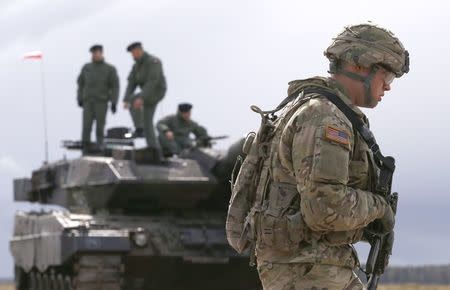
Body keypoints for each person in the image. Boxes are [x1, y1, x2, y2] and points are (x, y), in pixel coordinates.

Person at [234, 24, 410, 289]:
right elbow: (325, 208)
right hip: (306, 269)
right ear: (361, 66)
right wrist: (378, 207)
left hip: (309, 266)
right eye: (386, 76)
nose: (388, 87)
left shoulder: (317, 109)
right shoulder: (325, 118)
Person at [123, 42, 167, 155]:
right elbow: (131, 83)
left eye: (134, 52)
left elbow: (153, 81)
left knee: (135, 100)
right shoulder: (136, 66)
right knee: (147, 121)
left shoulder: (153, 62)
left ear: (140, 50)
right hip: (146, 94)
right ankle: (154, 148)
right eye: (131, 53)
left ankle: (140, 129)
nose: (133, 55)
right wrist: (126, 99)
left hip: (156, 91)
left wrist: (141, 97)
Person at [77, 44, 119, 145]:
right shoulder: (86, 68)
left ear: (101, 53)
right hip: (88, 102)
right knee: (86, 126)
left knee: (100, 127)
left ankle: (100, 146)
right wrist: (79, 98)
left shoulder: (109, 69)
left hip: (101, 102)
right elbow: (80, 84)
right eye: (93, 53)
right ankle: (85, 146)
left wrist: (114, 102)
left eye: (96, 52)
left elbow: (115, 86)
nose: (94, 55)